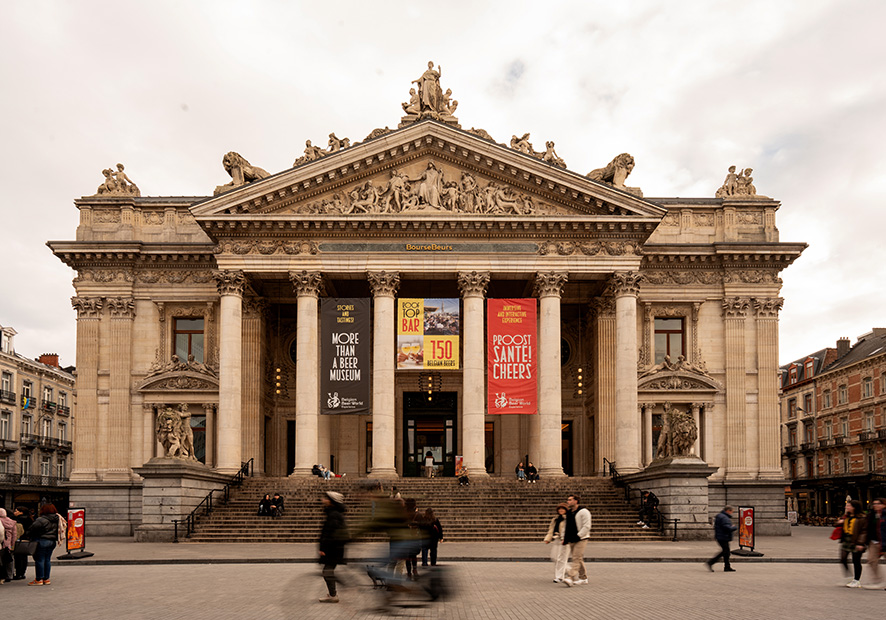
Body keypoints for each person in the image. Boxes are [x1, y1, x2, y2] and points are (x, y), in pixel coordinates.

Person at [318, 491, 348, 603]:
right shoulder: (333, 513)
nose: (323, 500)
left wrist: (324, 548)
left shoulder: (334, 515)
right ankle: (333, 593)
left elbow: (331, 534)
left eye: (326, 498)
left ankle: (333, 595)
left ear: (331, 501)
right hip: (334, 548)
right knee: (328, 571)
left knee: (327, 571)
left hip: (333, 549)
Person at [23, 503, 61, 586]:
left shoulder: (41, 520)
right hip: (52, 541)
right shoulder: (57, 519)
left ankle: (39, 579)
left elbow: (32, 528)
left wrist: (27, 534)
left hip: (41, 540)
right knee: (47, 559)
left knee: (39, 560)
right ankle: (46, 579)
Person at [562, 494, 591, 586]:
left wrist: (579, 536)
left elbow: (587, 526)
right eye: (568, 500)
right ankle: (583, 577)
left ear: (576, 501)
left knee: (576, 557)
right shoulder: (569, 513)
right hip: (571, 538)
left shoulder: (584, 511)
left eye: (570, 500)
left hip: (581, 538)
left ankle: (570, 577)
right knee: (578, 558)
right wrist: (566, 539)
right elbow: (567, 527)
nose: (568, 502)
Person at [837, 499, 867, 587]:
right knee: (843, 558)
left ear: (854, 507)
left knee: (856, 560)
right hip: (846, 540)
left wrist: (861, 543)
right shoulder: (846, 516)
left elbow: (864, 531)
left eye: (849, 506)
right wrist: (839, 522)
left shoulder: (862, 518)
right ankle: (849, 576)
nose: (846, 507)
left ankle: (856, 580)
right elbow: (837, 524)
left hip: (856, 541)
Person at [705, 505, 738, 572]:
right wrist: (734, 527)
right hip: (723, 536)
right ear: (728, 510)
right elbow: (726, 527)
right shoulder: (724, 517)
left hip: (721, 536)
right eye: (731, 511)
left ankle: (727, 566)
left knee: (726, 552)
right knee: (725, 551)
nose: (731, 513)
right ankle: (711, 562)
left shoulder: (721, 516)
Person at [544, 503, 570, 583]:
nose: (561, 510)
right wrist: (548, 538)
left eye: (563, 509)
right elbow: (551, 529)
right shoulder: (556, 519)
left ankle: (559, 577)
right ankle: (571, 571)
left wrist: (565, 539)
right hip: (556, 539)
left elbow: (568, 530)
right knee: (554, 557)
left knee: (561, 559)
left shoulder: (568, 519)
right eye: (559, 509)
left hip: (565, 540)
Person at [864, 498, 885, 588]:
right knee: (871, 560)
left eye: (878, 504)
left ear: (884, 505)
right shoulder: (871, 515)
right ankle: (877, 581)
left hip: (885, 541)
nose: (875, 505)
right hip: (874, 541)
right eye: (874, 504)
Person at [12, 507, 31, 580]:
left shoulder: (18, 520)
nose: (15, 512)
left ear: (21, 512)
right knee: (24, 557)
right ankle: (22, 573)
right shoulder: (29, 519)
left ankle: (18, 573)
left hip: (19, 540)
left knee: (18, 557)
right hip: (26, 540)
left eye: (16, 511)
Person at [0, 508, 14, 583]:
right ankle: (9, 575)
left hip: (2, 543)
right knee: (8, 560)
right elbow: (14, 534)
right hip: (7, 543)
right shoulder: (11, 521)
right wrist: (12, 543)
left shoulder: (0, 521)